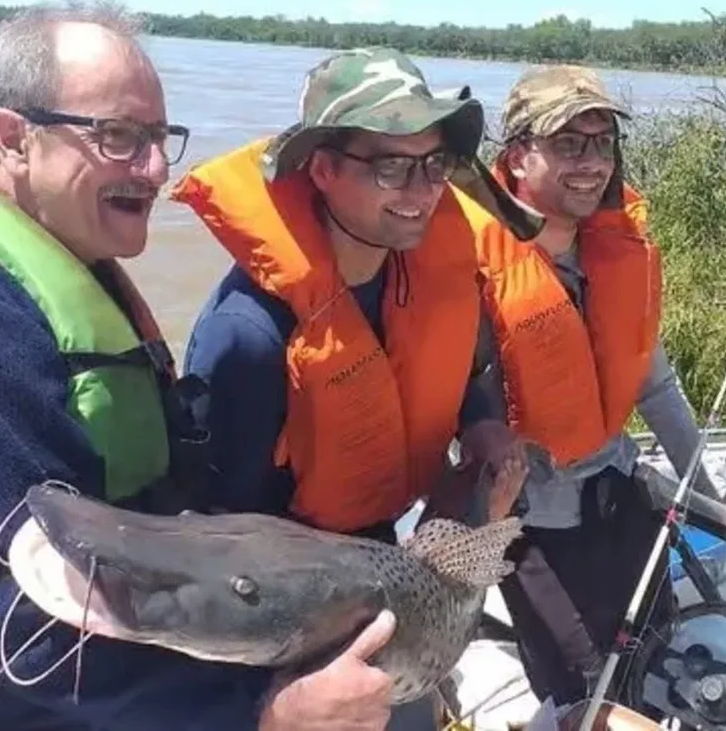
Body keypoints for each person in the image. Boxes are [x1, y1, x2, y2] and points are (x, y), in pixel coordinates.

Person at [0, 0, 391, 730]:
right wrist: (262, 714)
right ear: (13, 139)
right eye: (116, 136)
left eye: (157, 138)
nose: (151, 169)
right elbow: (23, 625)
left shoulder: (71, 282)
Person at [169, 47, 534, 729]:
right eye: (391, 165)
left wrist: (480, 422)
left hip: (393, 556)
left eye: (433, 165)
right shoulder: (248, 338)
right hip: (303, 617)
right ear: (324, 170)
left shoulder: (423, 268)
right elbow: (232, 552)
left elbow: (458, 371)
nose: (420, 190)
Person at [464, 65, 723, 708]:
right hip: (537, 534)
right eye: (569, 143)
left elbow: (656, 388)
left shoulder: (615, 254)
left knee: (657, 657)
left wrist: (714, 504)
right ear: (517, 157)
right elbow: (465, 424)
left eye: (602, 143)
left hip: (623, 501)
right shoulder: (471, 271)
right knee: (587, 691)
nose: (592, 163)